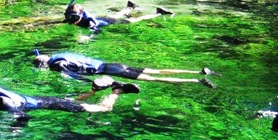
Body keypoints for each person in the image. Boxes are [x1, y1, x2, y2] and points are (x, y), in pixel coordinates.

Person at [0, 78, 139, 118]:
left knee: (103, 109)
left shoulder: (0, 101)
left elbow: (23, 116)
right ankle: (93, 90)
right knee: (73, 102)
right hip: (34, 98)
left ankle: (116, 91)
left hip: (43, 105)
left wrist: (13, 133)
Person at [33, 50, 218, 88]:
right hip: (112, 64)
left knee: (154, 79)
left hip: (113, 72)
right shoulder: (58, 54)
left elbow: (71, 74)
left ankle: (197, 81)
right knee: (157, 71)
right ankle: (199, 72)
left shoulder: (56, 65)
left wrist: (87, 82)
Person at [64, 0, 173, 32]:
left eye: (75, 18)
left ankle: (158, 13)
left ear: (81, 16)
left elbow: (96, 31)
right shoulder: (70, 17)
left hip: (107, 22)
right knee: (115, 16)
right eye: (69, 18)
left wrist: (87, 37)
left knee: (135, 20)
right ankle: (130, 7)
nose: (72, 21)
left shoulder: (89, 21)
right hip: (104, 18)